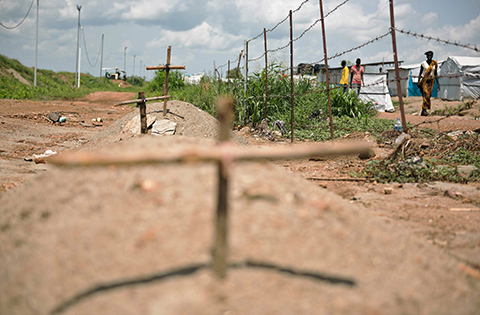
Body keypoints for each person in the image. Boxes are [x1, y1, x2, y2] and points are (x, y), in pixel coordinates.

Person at [417, 50, 440, 116]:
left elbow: (435, 74)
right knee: (426, 94)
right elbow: (420, 73)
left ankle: (424, 110)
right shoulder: (423, 63)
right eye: (428, 55)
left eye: (430, 55)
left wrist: (438, 84)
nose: (429, 57)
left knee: (428, 96)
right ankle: (425, 109)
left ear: (432, 56)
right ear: (426, 56)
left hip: (431, 81)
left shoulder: (434, 63)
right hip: (424, 80)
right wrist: (419, 81)